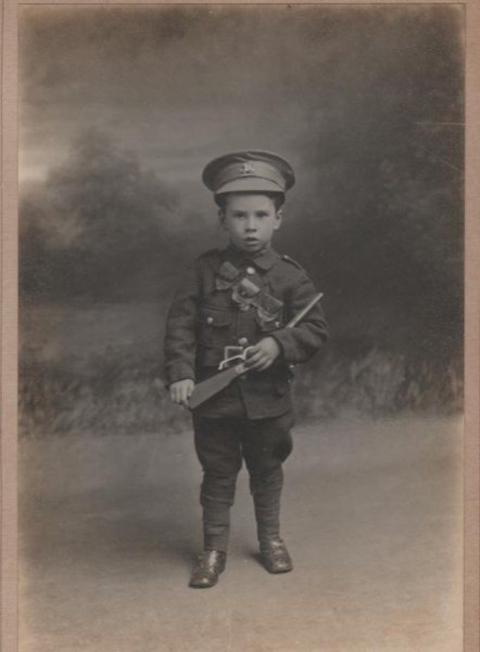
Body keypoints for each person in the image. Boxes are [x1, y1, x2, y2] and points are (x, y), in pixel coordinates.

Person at [164, 151, 328, 588]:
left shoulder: (291, 279)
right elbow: (179, 326)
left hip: (268, 401)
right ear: (222, 219)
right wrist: (181, 373)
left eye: (261, 214)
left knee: (267, 470)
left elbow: (315, 329)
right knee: (217, 473)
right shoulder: (203, 272)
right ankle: (213, 550)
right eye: (239, 215)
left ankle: (270, 540)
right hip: (214, 398)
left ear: (279, 218)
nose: (250, 225)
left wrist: (279, 342)